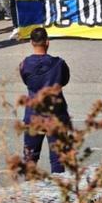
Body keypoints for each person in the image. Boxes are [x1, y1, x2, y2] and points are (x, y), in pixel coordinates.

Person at [20, 27, 71, 173]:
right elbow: (64, 80)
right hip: (56, 115)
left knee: (30, 157)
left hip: (34, 114)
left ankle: (29, 192)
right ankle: (58, 191)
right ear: (47, 42)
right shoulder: (59, 64)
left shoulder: (24, 64)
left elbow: (26, 80)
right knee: (57, 158)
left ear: (31, 42)